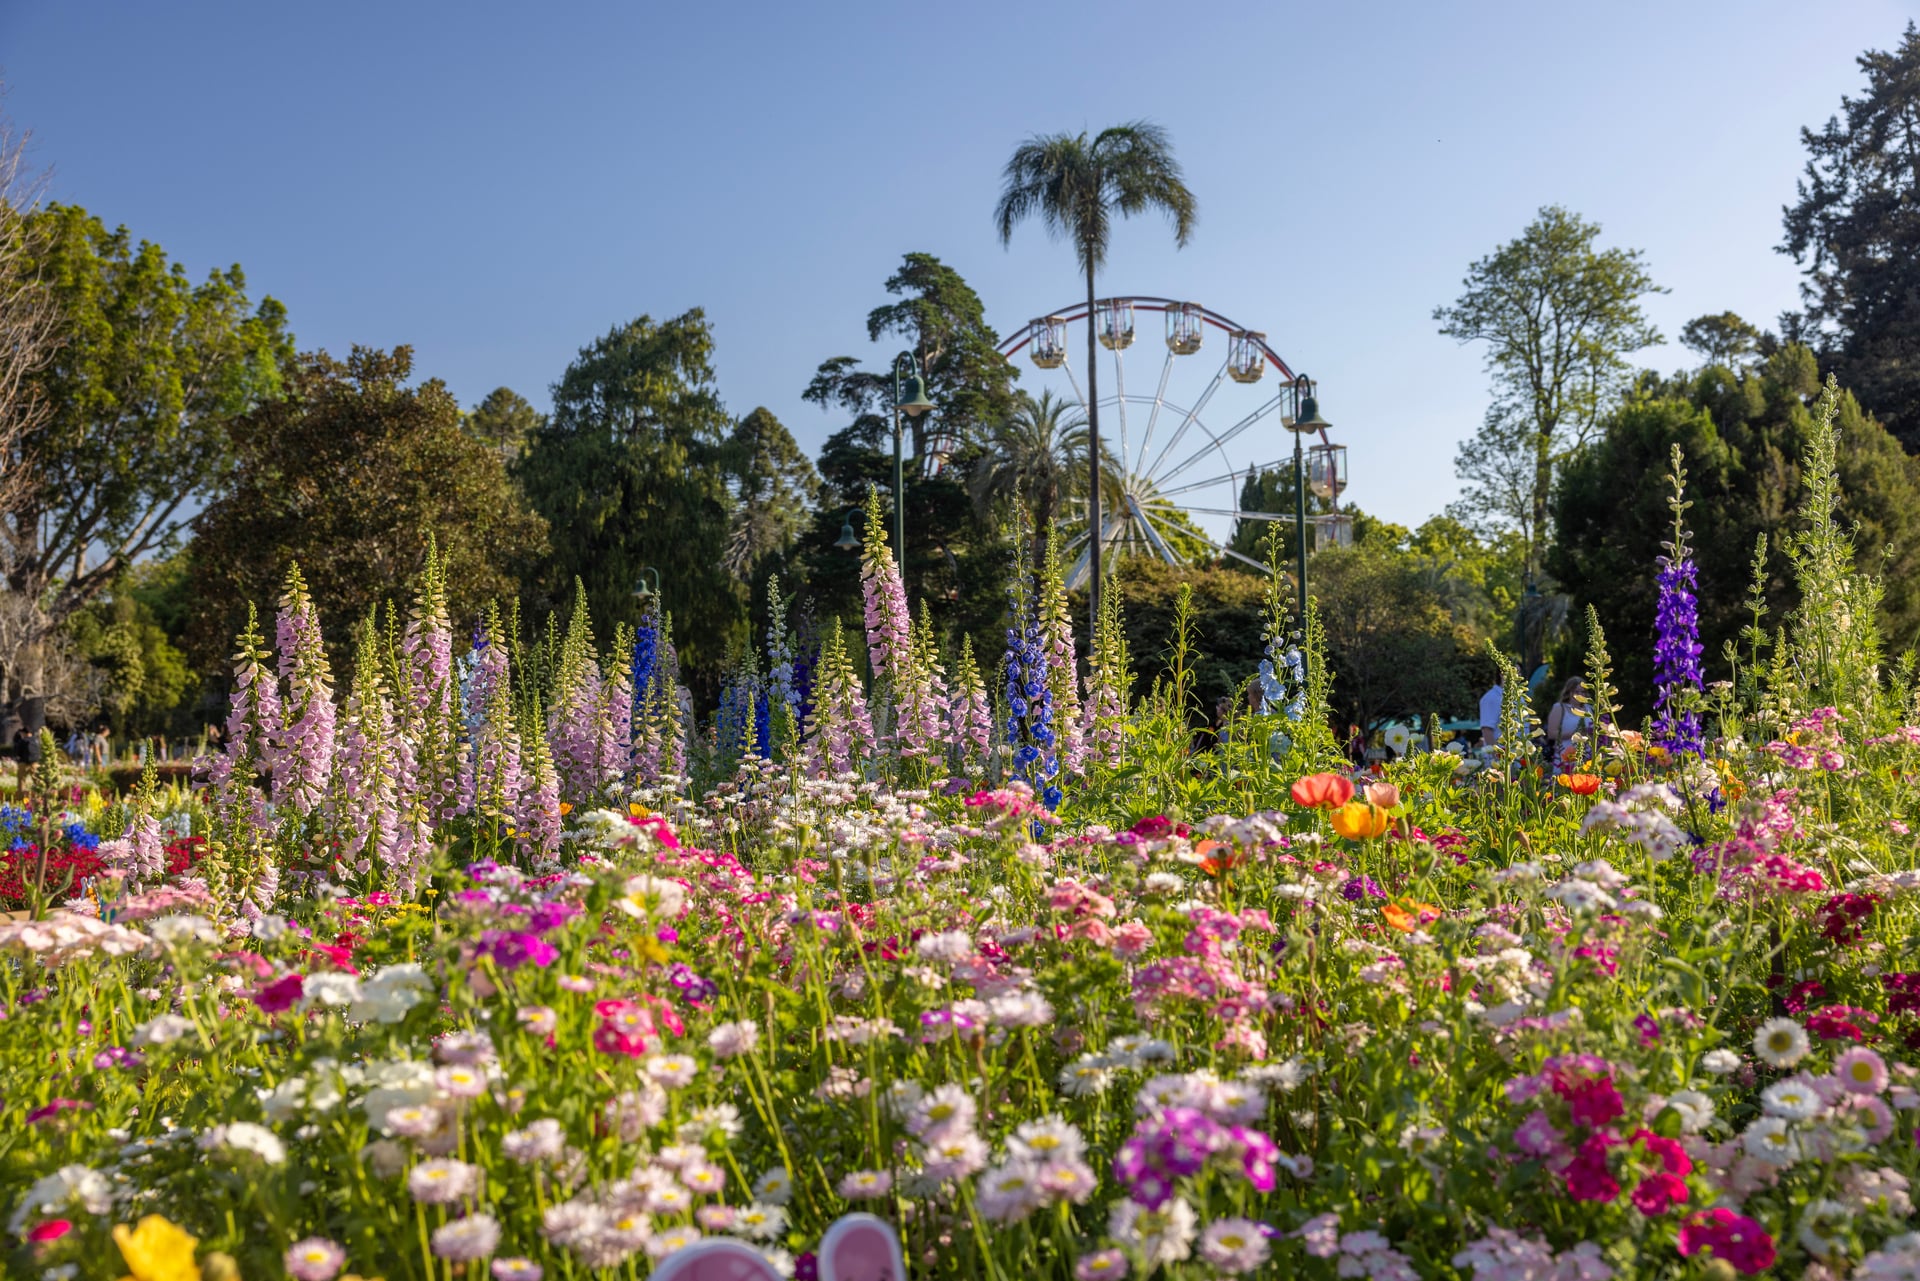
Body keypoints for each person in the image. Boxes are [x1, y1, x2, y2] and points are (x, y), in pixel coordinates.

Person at [1545, 678, 1590, 763]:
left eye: (1583, 692)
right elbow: (1551, 734)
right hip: (1565, 756)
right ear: (1569, 692)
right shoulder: (1559, 708)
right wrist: (1575, 734)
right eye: (1576, 692)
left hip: (1586, 756)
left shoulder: (1589, 708)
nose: (1580, 695)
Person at [1479, 682, 1504, 749]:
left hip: (1520, 753)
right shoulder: (1491, 697)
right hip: (1501, 753)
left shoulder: (1520, 697)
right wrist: (1496, 753)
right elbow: (1486, 729)